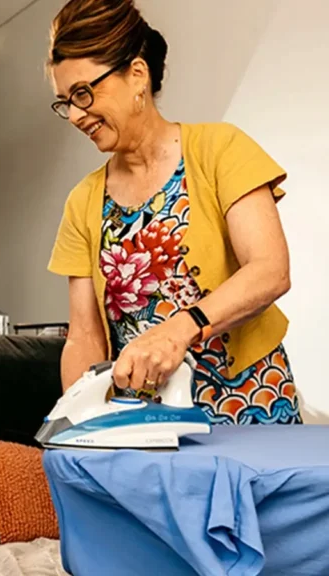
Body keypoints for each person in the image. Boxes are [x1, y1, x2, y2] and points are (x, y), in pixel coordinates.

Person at [46, 0, 301, 425]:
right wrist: (79, 422)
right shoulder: (83, 201)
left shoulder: (220, 150)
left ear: (137, 76)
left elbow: (270, 270)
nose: (74, 115)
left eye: (84, 93)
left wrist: (179, 329)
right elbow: (85, 336)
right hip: (147, 421)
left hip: (251, 402)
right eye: (65, 102)